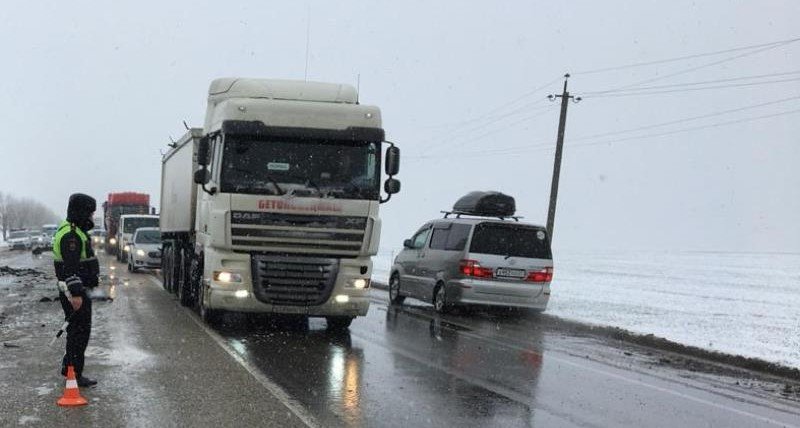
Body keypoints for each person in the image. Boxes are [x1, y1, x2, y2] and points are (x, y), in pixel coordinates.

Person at [53, 193, 100, 387]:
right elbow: (70, 269)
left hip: (77, 290)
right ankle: (74, 374)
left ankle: (70, 368)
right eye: (89, 213)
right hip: (75, 292)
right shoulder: (71, 235)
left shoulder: (74, 231)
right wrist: (76, 295)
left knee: (76, 331)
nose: (91, 217)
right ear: (81, 212)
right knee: (79, 333)